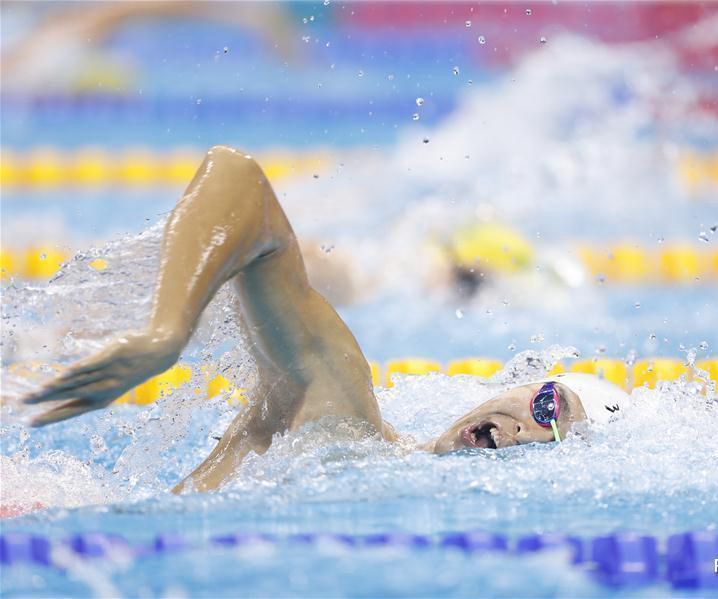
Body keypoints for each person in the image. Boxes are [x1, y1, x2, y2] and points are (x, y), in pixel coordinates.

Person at [22, 146, 627, 493]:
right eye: (550, 406)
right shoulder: (345, 419)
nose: (530, 430)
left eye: (551, 441)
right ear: (520, 387)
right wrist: (167, 331)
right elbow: (239, 178)